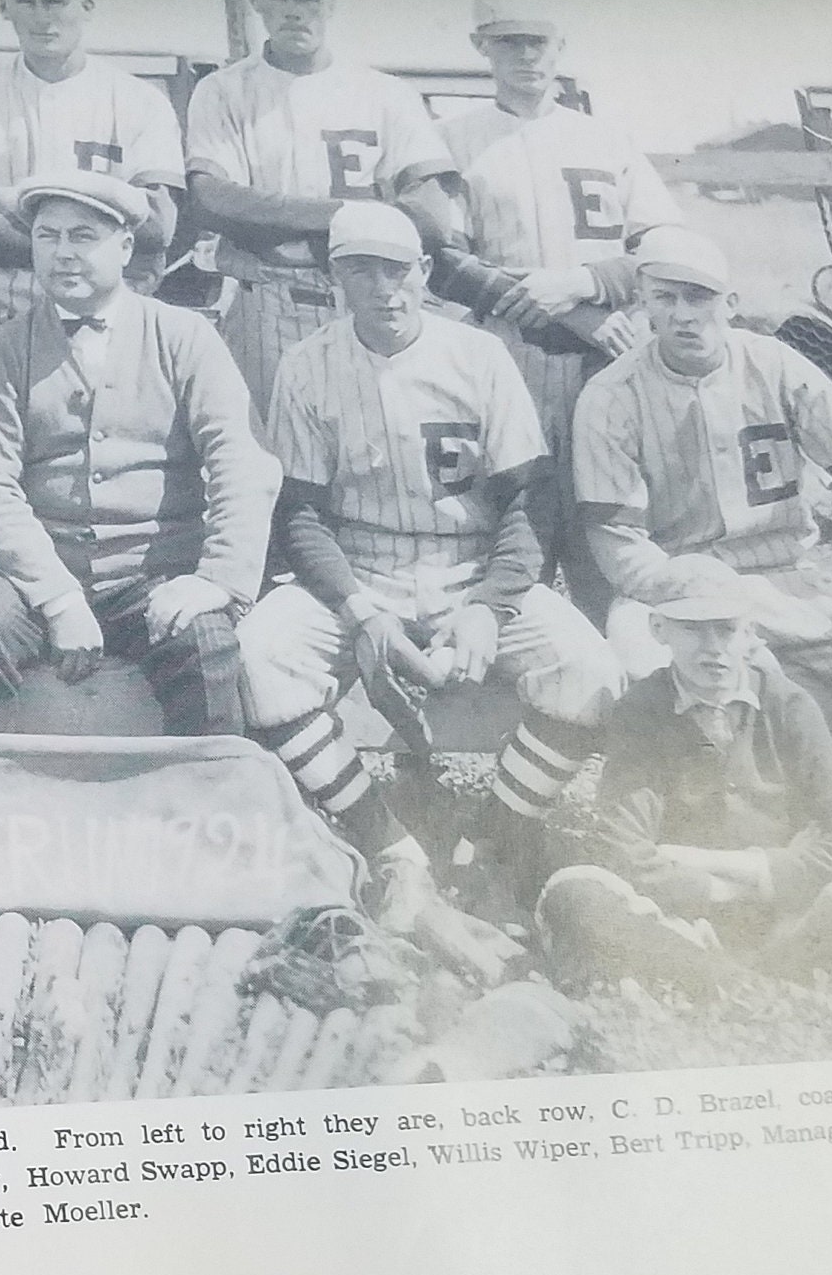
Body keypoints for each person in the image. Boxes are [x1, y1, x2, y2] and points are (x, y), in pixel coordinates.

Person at [238, 202, 619, 960]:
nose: (383, 288)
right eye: (361, 270)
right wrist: (359, 610)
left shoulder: (477, 354)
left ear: (424, 273)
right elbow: (301, 516)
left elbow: (528, 498)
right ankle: (388, 840)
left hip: (470, 563)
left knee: (592, 670)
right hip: (358, 566)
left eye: (398, 269)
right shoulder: (308, 364)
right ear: (334, 278)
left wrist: (487, 608)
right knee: (257, 655)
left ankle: (492, 842)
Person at [570, 226, 832, 867]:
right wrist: (688, 586)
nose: (683, 314)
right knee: (649, 674)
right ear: (642, 300)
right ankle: (679, 851)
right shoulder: (611, 394)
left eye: (700, 297)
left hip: (788, 577)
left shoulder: (775, 363)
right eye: (665, 298)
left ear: (730, 301)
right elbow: (616, 542)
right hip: (675, 586)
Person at [0, 168, 276, 734]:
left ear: (124, 247)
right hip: (32, 576)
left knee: (206, 642)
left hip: (153, 573)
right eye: (48, 236)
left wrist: (216, 579)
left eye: (83, 236)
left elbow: (240, 462)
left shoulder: (185, 337)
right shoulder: (0, 349)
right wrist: (58, 598)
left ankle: (202, 813)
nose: (63, 254)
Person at [535, 557, 832, 991]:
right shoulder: (642, 710)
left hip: (793, 919)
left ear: (750, 634)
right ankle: (763, 988)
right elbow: (621, 846)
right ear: (660, 630)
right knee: (575, 897)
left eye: (726, 629)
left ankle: (726, 988)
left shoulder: (788, 705)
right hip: (683, 923)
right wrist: (711, 892)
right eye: (693, 629)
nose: (712, 647)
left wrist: (730, 869)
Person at [436, 0, 680, 617]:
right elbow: (447, 262)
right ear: (480, 47)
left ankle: (624, 669)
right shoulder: (452, 139)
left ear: (559, 47)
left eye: (537, 41)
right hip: (507, 355)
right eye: (507, 41)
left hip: (607, 360)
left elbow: (665, 246)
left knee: (608, 517)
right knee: (515, 518)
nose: (524, 55)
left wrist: (586, 283)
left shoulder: (604, 138)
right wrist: (576, 312)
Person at [183, 0, 463, 413]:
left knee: (379, 446)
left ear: (330, 5)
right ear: (255, 2)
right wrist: (355, 216)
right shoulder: (223, 89)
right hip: (268, 302)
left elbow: (431, 219)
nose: (293, 10)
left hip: (369, 299)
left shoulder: (385, 92)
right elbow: (213, 202)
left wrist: (283, 225)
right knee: (274, 462)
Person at [0, 0, 186, 339]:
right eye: (26, 1)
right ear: (2, 7)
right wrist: (94, 234)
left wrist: (13, 200)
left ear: (87, 7)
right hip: (1, 317)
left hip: (112, 324)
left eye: (55, 1)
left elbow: (157, 227)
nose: (41, 17)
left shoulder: (140, 100)